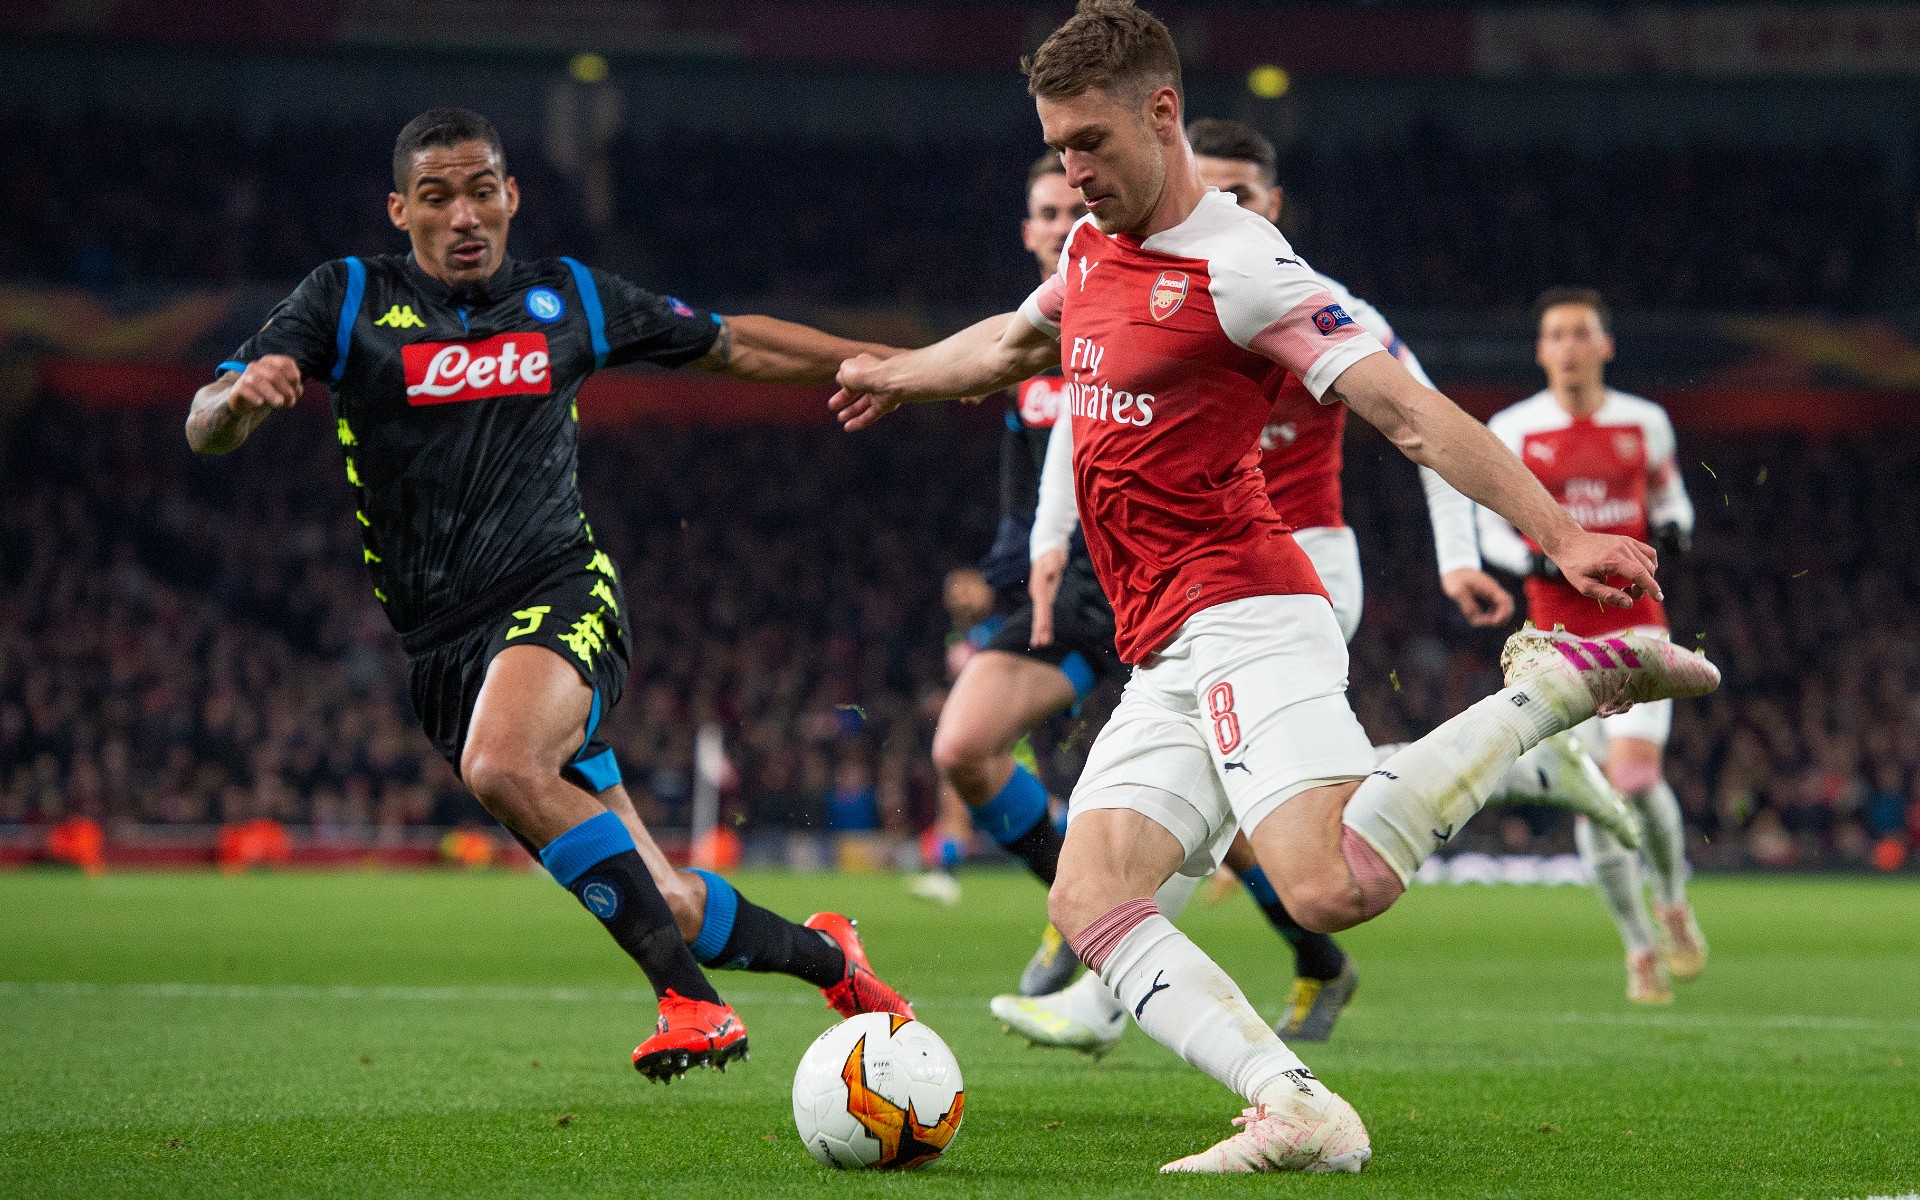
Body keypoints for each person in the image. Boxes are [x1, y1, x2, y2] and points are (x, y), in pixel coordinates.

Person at [831, 1, 1718, 1172]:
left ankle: (1551, 695)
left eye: (1091, 142)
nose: (1074, 171)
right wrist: (900, 373)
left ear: (1163, 113)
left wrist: (1556, 534)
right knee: (1090, 893)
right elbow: (1007, 345)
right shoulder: (1091, 253)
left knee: (1327, 885)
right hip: (1163, 643)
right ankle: (1294, 1105)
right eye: (1056, 149)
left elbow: (1404, 407)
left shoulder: (1245, 266)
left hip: (1250, 607)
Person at [185, 107, 914, 1084]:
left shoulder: (566, 298)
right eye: (437, 197)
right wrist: (236, 400)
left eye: (482, 189)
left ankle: (692, 1003)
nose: (464, 215)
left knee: (501, 763)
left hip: (558, 596)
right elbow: (203, 428)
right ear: (400, 210)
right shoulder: (346, 297)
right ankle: (836, 961)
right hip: (445, 652)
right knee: (670, 899)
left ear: (512, 196)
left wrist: (890, 367)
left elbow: (732, 344)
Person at [989, 116, 1562, 1054]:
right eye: (1212, 190)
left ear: (1274, 203)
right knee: (1239, 804)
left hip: (1297, 570)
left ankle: (1106, 998)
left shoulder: (1303, 296)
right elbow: (1085, 406)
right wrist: (1052, 535)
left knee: (1241, 804)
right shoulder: (1143, 278)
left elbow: (1419, 423)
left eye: (1244, 194)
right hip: (1194, 582)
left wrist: (1462, 554)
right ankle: (1518, 762)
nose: (1225, 206)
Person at [1478, 288, 1707, 1004]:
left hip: (1637, 624)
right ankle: (1639, 947)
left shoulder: (1645, 423)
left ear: (1606, 344)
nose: (1569, 345)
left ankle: (1671, 900)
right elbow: (1491, 528)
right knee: (1596, 799)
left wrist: (1674, 531)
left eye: (1582, 332)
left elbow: (1671, 499)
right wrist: (1540, 559)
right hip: (1552, 637)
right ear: (1541, 350)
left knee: (1635, 780)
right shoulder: (1513, 430)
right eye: (1556, 334)